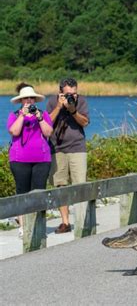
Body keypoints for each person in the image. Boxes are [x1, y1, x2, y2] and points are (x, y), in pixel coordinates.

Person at [7, 83, 53, 238]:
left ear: (35, 100)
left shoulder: (43, 114)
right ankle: (23, 226)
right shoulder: (14, 115)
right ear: (21, 101)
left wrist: (38, 117)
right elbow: (14, 131)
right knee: (22, 191)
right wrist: (22, 115)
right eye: (25, 99)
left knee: (39, 192)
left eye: (31, 98)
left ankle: (38, 225)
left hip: (41, 159)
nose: (28, 101)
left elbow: (48, 132)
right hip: (19, 160)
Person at [46, 78, 89, 234]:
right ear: (61, 92)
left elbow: (84, 122)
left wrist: (73, 110)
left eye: (74, 93)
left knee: (80, 184)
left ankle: (82, 220)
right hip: (57, 149)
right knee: (60, 185)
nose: (72, 96)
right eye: (68, 94)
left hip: (78, 147)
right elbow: (47, 122)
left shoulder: (81, 101)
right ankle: (65, 222)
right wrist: (59, 106)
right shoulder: (52, 102)